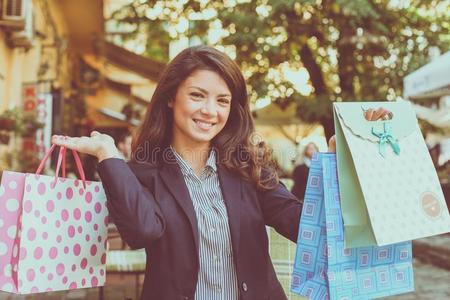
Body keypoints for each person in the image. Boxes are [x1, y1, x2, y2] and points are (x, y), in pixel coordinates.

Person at [52, 45, 391, 300]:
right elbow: (142, 230)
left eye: (223, 101)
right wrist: (108, 156)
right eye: (197, 96)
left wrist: (336, 166)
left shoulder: (249, 167)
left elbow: (308, 228)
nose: (210, 111)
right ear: (171, 98)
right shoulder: (142, 172)